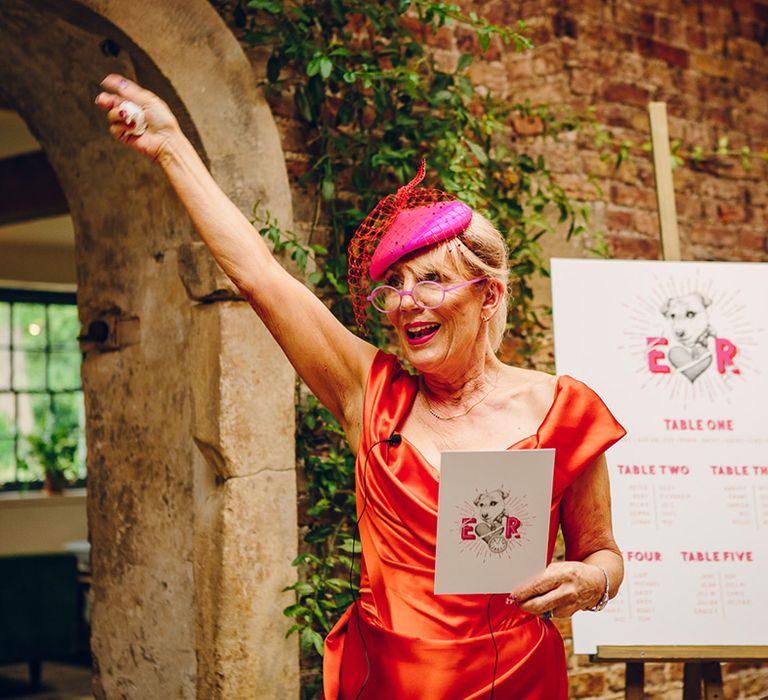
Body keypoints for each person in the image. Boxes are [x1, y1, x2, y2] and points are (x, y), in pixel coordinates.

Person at [96, 74, 626, 700]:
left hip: (519, 681)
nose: (405, 302)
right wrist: (172, 148)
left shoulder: (563, 411)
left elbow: (602, 553)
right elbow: (262, 276)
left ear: (490, 294)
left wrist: (592, 583)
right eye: (395, 284)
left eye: (429, 279)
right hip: (392, 683)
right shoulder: (369, 392)